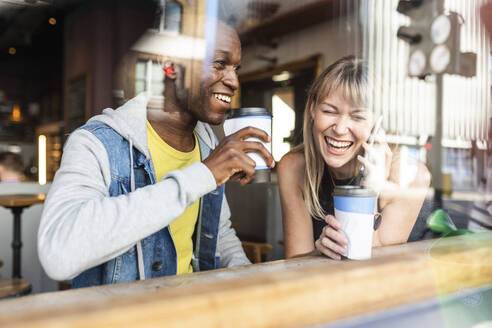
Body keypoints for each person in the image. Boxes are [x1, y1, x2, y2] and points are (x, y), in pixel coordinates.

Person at [38, 19, 275, 287]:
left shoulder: (207, 145)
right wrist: (204, 174)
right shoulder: (96, 143)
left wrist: (248, 282)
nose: (234, 81)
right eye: (219, 64)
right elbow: (58, 254)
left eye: (236, 68)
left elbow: (217, 235)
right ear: (170, 64)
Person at [277, 56, 430, 260]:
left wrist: (371, 190)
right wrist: (320, 251)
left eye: (358, 117)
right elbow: (296, 263)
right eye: (329, 111)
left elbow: (371, 263)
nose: (340, 129)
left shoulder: (409, 175)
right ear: (313, 108)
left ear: (378, 121)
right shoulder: (294, 167)